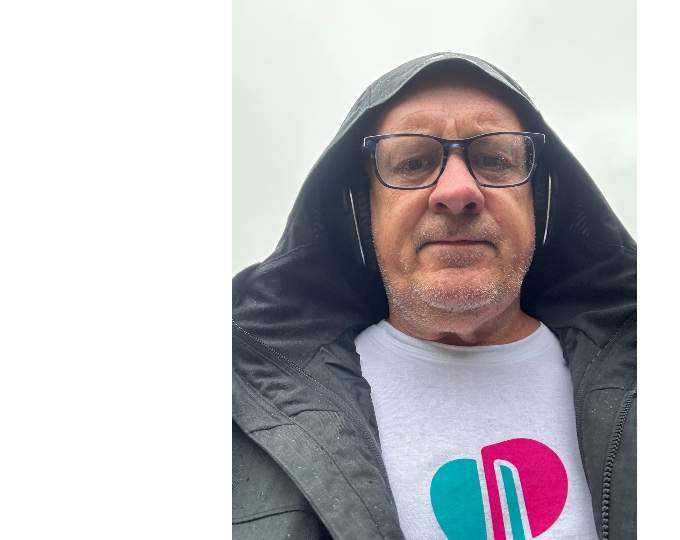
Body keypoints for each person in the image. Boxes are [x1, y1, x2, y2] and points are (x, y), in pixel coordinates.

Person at [232, 53, 636, 540]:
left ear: (540, 201)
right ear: (364, 210)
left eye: (494, 160)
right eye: (414, 163)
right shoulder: (239, 410)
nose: (458, 190)